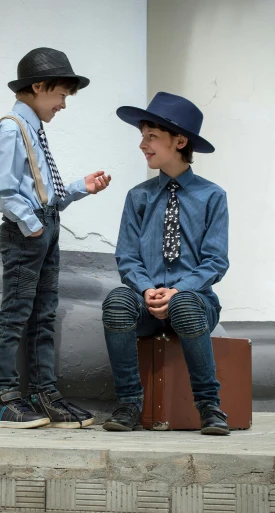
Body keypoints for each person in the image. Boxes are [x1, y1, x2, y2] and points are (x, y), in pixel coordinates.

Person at [0, 47, 111, 429]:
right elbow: (3, 190)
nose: (63, 104)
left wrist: (79, 187)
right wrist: (32, 224)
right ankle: (4, 399)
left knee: (44, 316)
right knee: (16, 315)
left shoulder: (34, 128)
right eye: (60, 95)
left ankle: (44, 393)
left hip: (44, 224)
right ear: (38, 87)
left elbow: (41, 187)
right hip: (29, 232)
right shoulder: (11, 128)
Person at [101, 92, 230, 435]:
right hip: (146, 300)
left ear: (180, 141)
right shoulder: (138, 196)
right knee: (116, 302)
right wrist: (147, 290)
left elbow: (216, 261)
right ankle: (129, 403)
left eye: (151, 136)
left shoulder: (212, 196)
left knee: (187, 305)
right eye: (142, 136)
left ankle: (209, 407)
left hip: (194, 302)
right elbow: (127, 257)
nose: (143, 144)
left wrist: (176, 291)